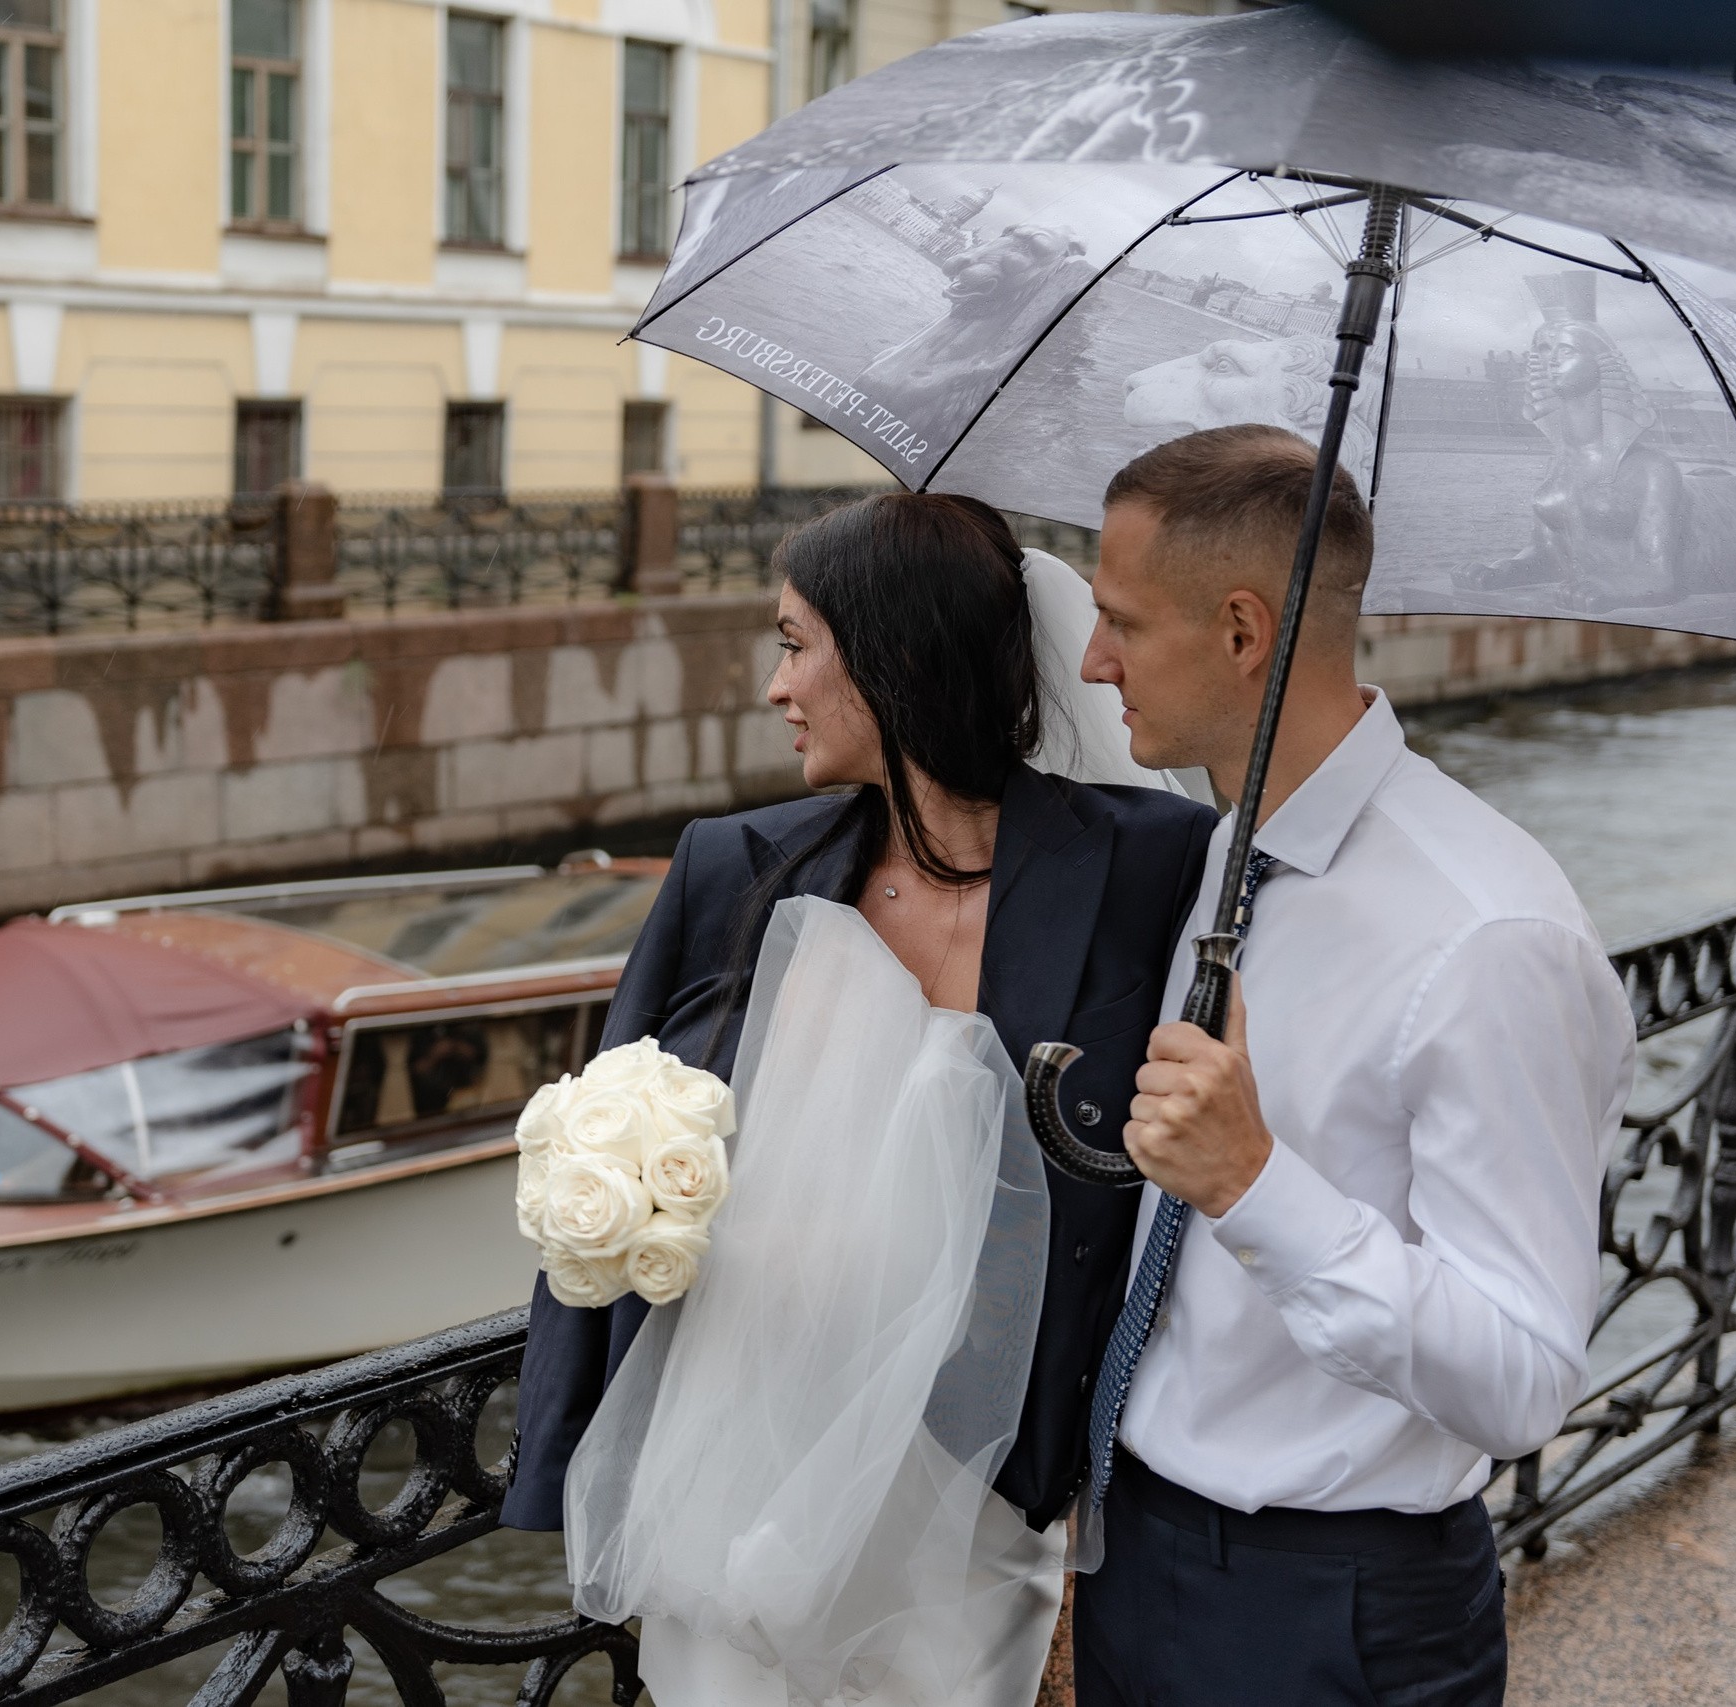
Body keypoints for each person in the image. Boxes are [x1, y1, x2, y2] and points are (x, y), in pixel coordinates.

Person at [501, 490, 1215, 1702]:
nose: (774, 687)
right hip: (732, 1468)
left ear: (890, 656)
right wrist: (566, 1456)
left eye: (794, 642)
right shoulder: (730, 868)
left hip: (974, 1500)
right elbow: (615, 1134)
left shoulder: (1152, 866)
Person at [1072, 424, 1638, 1705]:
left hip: (1333, 1613)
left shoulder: (1489, 936)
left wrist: (1253, 1180)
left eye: (1120, 622)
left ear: (1239, 632)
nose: (1093, 660)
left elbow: (1522, 1376)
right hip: (1140, 1551)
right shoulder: (1227, 847)